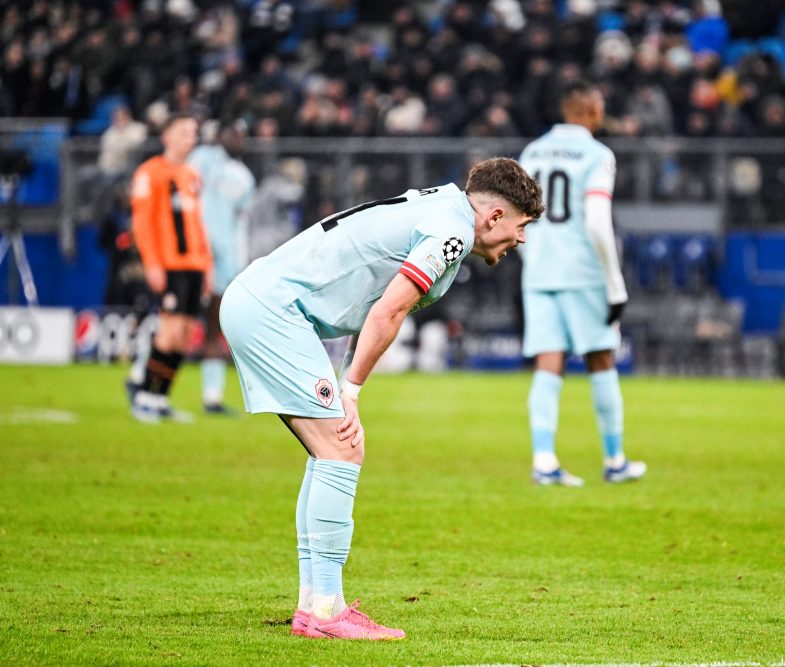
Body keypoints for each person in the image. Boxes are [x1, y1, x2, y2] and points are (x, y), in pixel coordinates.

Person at [219, 157, 543, 640]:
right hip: (273, 311)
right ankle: (327, 610)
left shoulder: (441, 208)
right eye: (521, 226)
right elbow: (389, 312)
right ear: (494, 217)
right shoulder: (451, 232)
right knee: (342, 447)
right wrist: (351, 391)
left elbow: (374, 303)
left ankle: (314, 603)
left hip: (263, 301)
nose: (521, 239)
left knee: (329, 450)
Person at [517, 80, 645, 487]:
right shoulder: (597, 154)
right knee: (601, 358)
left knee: (548, 364)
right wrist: (615, 285)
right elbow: (596, 221)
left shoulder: (532, 152)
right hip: (584, 273)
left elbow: (516, 219)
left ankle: (544, 461)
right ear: (590, 110)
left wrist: (531, 257)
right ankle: (614, 460)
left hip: (538, 270)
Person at [127, 113, 213, 422]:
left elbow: (198, 224)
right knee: (169, 332)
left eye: (193, 133)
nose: (190, 138)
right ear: (167, 137)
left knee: (186, 334)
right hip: (170, 265)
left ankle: (161, 399)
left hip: (194, 265)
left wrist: (208, 264)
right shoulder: (150, 173)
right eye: (184, 133)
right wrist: (152, 263)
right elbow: (142, 224)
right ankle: (145, 397)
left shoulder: (191, 175)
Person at [187, 121, 256, 414]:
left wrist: (239, 263)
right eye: (232, 132)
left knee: (215, 326)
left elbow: (240, 224)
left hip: (225, 262)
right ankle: (143, 379)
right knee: (177, 321)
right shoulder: (201, 158)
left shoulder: (244, 177)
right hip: (191, 256)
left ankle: (212, 397)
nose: (237, 138)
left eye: (241, 134)